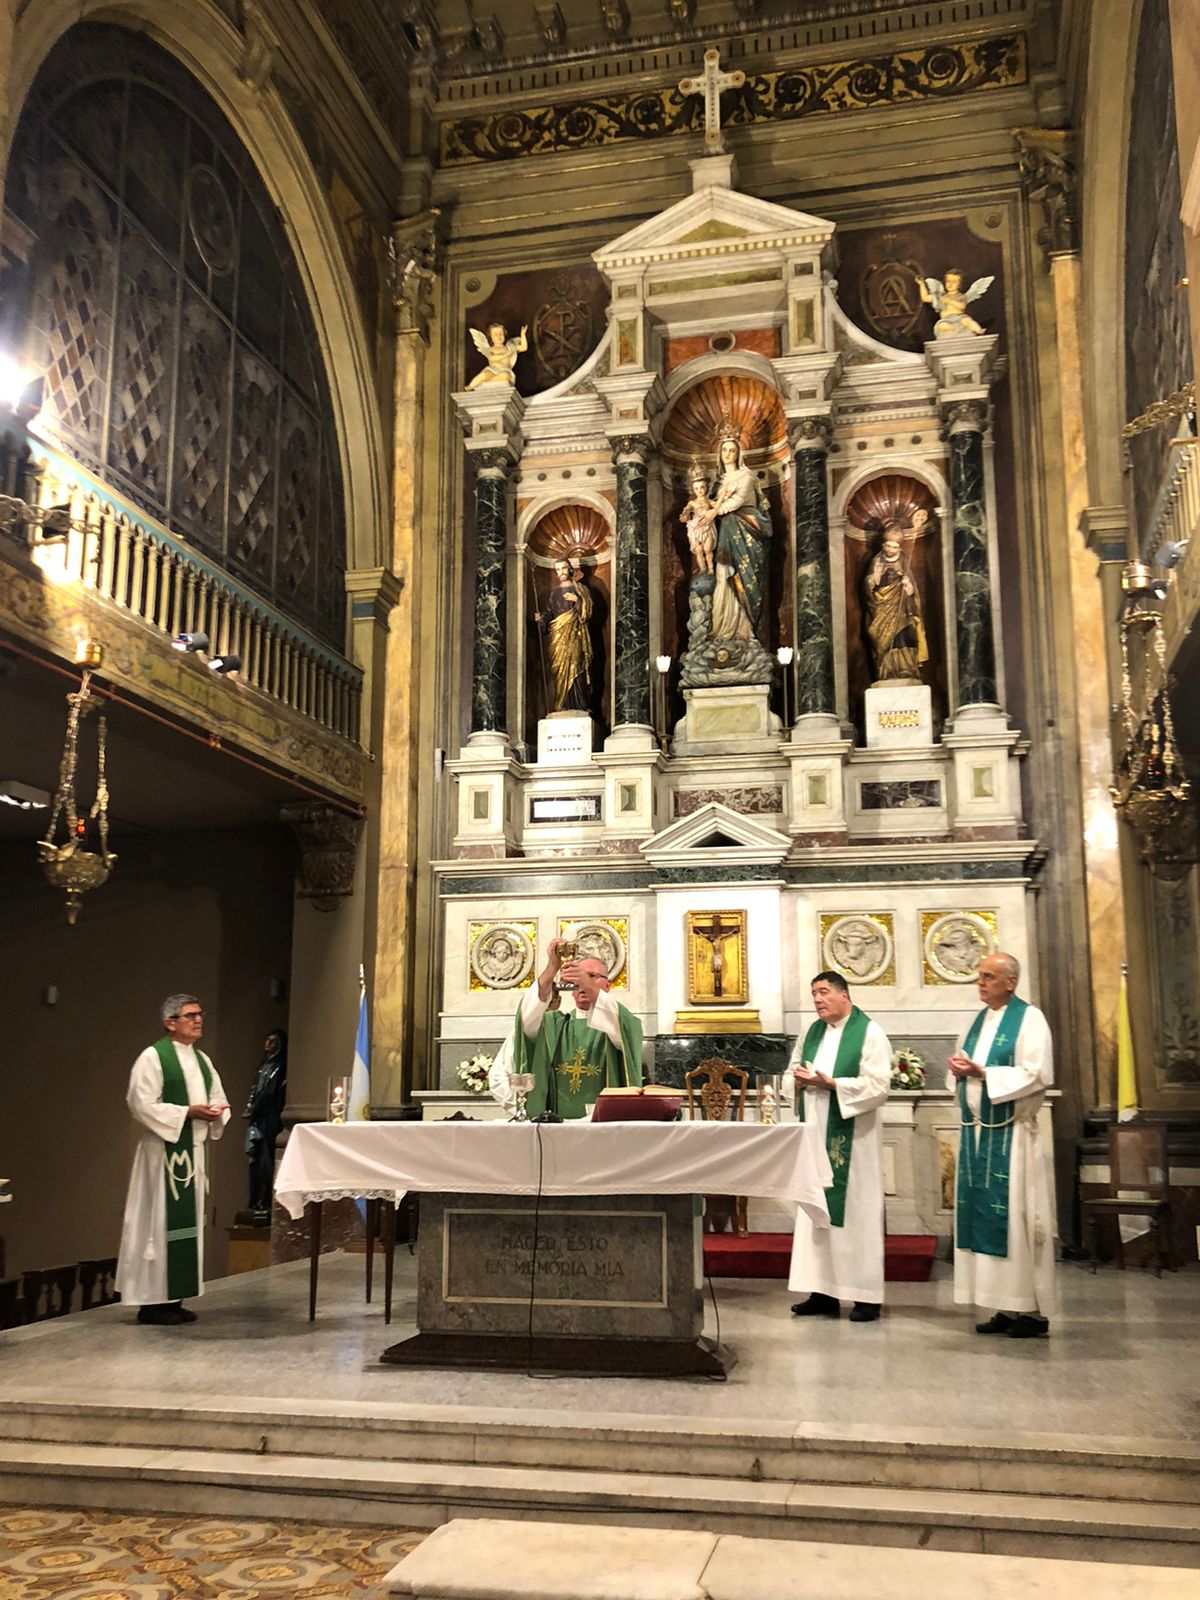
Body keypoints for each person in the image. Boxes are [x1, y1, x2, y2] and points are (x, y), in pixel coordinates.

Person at [947, 952, 1056, 1338]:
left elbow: (1038, 1073)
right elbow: (967, 1069)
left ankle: (1031, 1311)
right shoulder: (977, 1022)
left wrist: (984, 1073)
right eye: (979, 976)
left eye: (989, 976)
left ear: (1011, 981)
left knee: (1016, 1220)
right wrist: (960, 1071)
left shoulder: (1030, 1019)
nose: (980, 983)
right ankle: (1005, 1306)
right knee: (986, 1218)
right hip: (979, 1135)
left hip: (1012, 1138)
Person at [116, 994, 230, 1325]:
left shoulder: (202, 1060)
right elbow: (140, 1103)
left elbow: (218, 1097)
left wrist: (216, 1111)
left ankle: (175, 1298)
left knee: (186, 1227)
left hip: (192, 1153)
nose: (198, 1020)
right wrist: (187, 1112)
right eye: (190, 1015)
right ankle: (152, 1303)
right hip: (161, 1155)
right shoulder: (153, 1058)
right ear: (170, 1022)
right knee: (157, 1225)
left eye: (199, 1014)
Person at [788, 970, 892, 1322]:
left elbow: (879, 1085)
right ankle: (822, 1291)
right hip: (814, 1136)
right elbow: (792, 1071)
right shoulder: (811, 1032)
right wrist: (797, 1082)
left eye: (823, 992)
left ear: (843, 995)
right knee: (816, 1211)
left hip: (854, 1141)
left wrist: (833, 1084)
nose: (817, 999)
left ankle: (865, 1296)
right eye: (814, 994)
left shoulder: (870, 1033)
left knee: (857, 1214)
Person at [509, 936, 643, 1119]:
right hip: (557, 1126)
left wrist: (588, 985)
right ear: (571, 989)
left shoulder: (618, 1021)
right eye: (577, 979)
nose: (582, 983)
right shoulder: (554, 1026)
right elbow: (525, 1019)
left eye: (592, 976)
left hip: (605, 1126)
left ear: (608, 986)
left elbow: (625, 1030)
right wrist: (552, 968)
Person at [701, 433, 772, 644]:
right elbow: (707, 504)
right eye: (724, 450)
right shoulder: (718, 483)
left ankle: (745, 630)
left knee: (745, 577)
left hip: (746, 531)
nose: (728, 454)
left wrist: (714, 512)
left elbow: (737, 502)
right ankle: (722, 629)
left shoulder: (746, 477)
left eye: (732, 450)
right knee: (723, 575)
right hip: (726, 534)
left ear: (738, 454)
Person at [864, 522, 928, 683]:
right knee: (881, 641)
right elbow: (868, 588)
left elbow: (913, 591)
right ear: (883, 545)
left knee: (904, 637)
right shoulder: (877, 562)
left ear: (899, 548)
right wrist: (874, 578)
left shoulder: (904, 561)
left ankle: (907, 670)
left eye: (895, 547)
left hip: (902, 610)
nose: (891, 550)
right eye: (889, 546)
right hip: (882, 609)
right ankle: (886, 672)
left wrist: (908, 586)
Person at [537, 558, 593, 713]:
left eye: (563, 568)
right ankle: (562, 703)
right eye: (557, 570)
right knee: (559, 669)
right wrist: (541, 620)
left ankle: (579, 705)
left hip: (575, 634)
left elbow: (588, 611)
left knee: (576, 664)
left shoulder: (580, 589)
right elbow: (549, 613)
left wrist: (578, 600)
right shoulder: (554, 592)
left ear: (570, 570)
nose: (560, 572)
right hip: (558, 635)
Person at [244, 1028, 287, 1217]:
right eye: (267, 1040)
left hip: (270, 1117)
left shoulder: (280, 1067)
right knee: (255, 1157)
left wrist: (257, 1107)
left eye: (273, 1041)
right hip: (258, 1118)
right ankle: (255, 1200)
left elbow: (270, 1092)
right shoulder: (263, 1066)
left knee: (267, 1158)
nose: (269, 1044)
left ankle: (267, 1200)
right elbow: (256, 1089)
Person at [467, 320, 528, 388]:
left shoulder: (509, 347)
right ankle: (470, 387)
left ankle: (487, 382)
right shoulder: (490, 349)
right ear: (491, 337)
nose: (499, 336)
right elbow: (492, 358)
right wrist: (507, 354)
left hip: (504, 369)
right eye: (496, 334)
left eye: (501, 334)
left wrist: (523, 335)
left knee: (505, 376)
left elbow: (524, 347)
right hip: (491, 370)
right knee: (483, 375)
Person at [680, 472, 717, 574]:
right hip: (696, 528)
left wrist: (723, 498)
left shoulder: (709, 501)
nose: (699, 490)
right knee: (699, 550)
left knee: (708, 549)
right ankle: (703, 569)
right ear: (693, 490)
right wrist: (684, 514)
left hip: (707, 527)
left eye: (702, 487)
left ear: (706, 488)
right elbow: (686, 510)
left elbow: (718, 507)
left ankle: (711, 568)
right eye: (696, 488)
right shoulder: (692, 502)